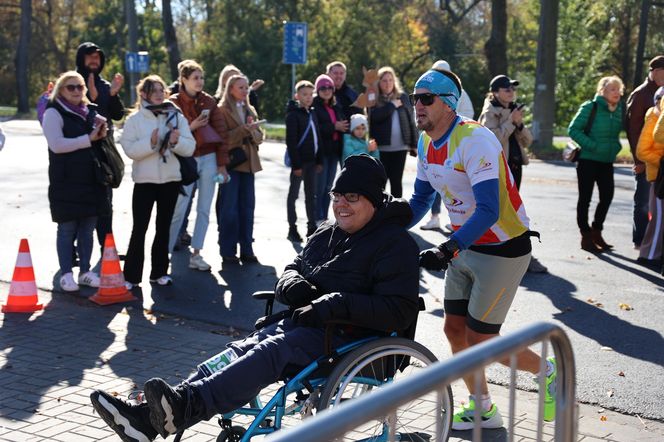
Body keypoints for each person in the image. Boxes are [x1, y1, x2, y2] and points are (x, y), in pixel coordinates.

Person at [89, 154, 421, 441]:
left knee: (270, 351)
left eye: (352, 197)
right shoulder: (328, 231)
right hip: (311, 324)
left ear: (374, 202)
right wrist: (292, 284)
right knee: (241, 349)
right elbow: (295, 265)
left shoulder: (395, 244)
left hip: (353, 337)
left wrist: (333, 303)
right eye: (337, 195)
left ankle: (182, 407)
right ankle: (151, 417)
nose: (340, 204)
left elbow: (399, 310)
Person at [408, 67, 556, 429]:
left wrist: (447, 248)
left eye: (426, 99)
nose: (418, 106)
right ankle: (483, 408)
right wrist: (378, 226)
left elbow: (489, 209)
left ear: (448, 103)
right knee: (454, 330)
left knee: (482, 337)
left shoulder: (475, 139)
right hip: (464, 246)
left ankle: (549, 371)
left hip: (503, 247)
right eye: (414, 99)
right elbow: (420, 201)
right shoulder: (427, 142)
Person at [119, 76, 196, 289]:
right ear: (143, 94)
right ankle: (131, 277)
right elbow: (130, 151)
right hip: (144, 182)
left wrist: (176, 141)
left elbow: (190, 147)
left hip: (170, 180)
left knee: (164, 228)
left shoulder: (176, 116)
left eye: (162, 90)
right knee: (139, 228)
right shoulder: (135, 120)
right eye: (155, 91)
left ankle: (159, 273)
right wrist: (151, 142)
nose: (160, 94)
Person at [42, 71, 111, 292]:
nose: (76, 91)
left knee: (88, 228)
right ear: (60, 90)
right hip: (66, 180)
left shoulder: (89, 112)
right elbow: (57, 145)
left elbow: (97, 141)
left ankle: (85, 272)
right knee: (67, 228)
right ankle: (66, 274)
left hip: (90, 178)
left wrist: (101, 132)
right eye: (70, 87)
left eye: (80, 87)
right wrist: (87, 140)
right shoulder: (53, 112)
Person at [478, 75, 547, 273]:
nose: (511, 92)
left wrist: (519, 124)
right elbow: (492, 141)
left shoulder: (513, 111)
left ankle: (515, 251)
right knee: (503, 209)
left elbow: (528, 141)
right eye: (506, 89)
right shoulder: (489, 113)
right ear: (496, 92)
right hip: (500, 167)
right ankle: (509, 252)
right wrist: (510, 122)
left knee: (513, 209)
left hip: (516, 166)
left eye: (512, 89)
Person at [168, 60, 229, 273]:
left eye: (202, 77)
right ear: (183, 80)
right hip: (186, 159)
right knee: (179, 207)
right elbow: (170, 133)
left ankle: (197, 253)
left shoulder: (209, 102)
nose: (200, 82)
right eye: (195, 78)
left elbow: (221, 134)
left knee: (204, 208)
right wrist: (192, 126)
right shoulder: (172, 102)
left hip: (209, 157)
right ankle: (164, 253)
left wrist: (222, 164)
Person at [75, 42, 125, 256]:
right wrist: (89, 97)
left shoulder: (105, 84)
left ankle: (108, 249)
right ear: (81, 59)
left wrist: (112, 94)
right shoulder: (72, 82)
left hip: (104, 150)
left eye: (97, 57)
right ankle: (73, 250)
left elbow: (118, 114)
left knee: (105, 201)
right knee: (79, 203)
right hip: (80, 150)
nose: (94, 61)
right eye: (89, 57)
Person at [568, 76, 625, 253]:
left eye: (618, 89)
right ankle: (585, 236)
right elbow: (573, 130)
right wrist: (593, 146)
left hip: (606, 162)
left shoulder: (619, 109)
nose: (616, 93)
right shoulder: (589, 107)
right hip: (588, 160)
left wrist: (616, 147)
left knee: (607, 196)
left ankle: (596, 231)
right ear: (602, 91)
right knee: (585, 199)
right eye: (612, 89)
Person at [215, 74, 265, 264]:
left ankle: (247, 249)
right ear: (230, 89)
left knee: (247, 208)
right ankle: (227, 250)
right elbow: (222, 139)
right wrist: (242, 130)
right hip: (231, 164)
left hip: (249, 164)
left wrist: (254, 131)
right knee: (229, 210)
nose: (245, 91)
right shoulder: (221, 110)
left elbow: (260, 137)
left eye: (246, 87)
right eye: (241, 88)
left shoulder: (249, 108)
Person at [421, 60, 474, 232]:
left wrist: (452, 128)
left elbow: (468, 115)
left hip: (456, 144)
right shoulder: (428, 92)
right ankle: (435, 217)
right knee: (434, 181)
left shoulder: (459, 92)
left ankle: (460, 220)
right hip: (437, 142)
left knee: (457, 184)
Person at [626, 55, 664, 249]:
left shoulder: (659, 92)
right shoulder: (641, 94)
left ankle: (652, 243)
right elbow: (633, 130)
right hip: (644, 157)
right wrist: (638, 160)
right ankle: (640, 241)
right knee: (642, 203)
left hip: (657, 160)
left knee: (654, 203)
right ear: (656, 71)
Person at [368, 66, 417, 198]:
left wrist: (414, 143)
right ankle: (380, 213)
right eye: (384, 80)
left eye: (390, 80)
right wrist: (391, 105)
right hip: (381, 148)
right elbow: (374, 117)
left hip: (400, 148)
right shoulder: (374, 99)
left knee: (396, 182)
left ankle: (396, 213)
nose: (388, 83)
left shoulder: (403, 97)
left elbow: (411, 120)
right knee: (380, 182)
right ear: (379, 82)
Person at [285, 80, 322, 242]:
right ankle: (292, 227)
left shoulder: (312, 112)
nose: (308, 97)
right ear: (297, 96)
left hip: (312, 162)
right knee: (293, 194)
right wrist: (296, 165)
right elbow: (291, 142)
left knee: (310, 195)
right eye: (304, 94)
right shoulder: (293, 115)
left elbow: (317, 138)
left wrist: (319, 159)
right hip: (300, 163)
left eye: (310, 94)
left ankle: (311, 226)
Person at [635, 87, 664, 269]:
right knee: (658, 219)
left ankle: (654, 253)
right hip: (657, 176)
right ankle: (648, 255)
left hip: (660, 173)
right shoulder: (653, 117)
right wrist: (661, 161)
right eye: (660, 99)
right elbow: (642, 151)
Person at [312, 74, 347, 223]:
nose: (326, 90)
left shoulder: (336, 106)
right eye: (323, 88)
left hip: (334, 152)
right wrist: (334, 126)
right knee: (319, 187)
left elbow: (342, 123)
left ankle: (324, 217)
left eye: (329, 88)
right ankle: (316, 217)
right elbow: (316, 128)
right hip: (322, 153)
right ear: (318, 90)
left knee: (329, 187)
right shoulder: (314, 106)